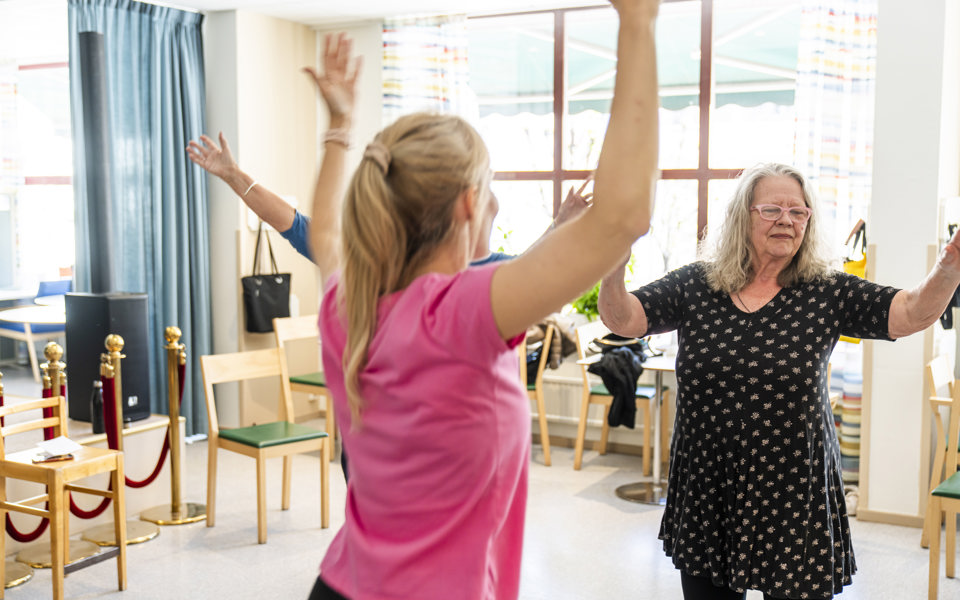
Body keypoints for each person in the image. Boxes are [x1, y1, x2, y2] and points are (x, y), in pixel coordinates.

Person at [303, 0, 660, 597]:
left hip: (341, 585)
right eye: (490, 187)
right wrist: (638, 23)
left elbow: (325, 237)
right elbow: (622, 219)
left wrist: (339, 131)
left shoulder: (351, 302)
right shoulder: (457, 313)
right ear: (470, 204)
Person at [597, 162, 960, 600]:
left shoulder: (827, 291)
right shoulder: (696, 284)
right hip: (709, 487)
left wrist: (949, 266)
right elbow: (624, 319)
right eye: (771, 210)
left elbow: (910, 313)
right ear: (742, 217)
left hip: (793, 491)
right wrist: (612, 266)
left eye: (798, 211)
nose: (786, 220)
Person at [186, 131, 592, 265]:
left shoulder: (479, 271)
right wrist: (234, 176)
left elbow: (298, 225)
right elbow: (295, 224)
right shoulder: (383, 262)